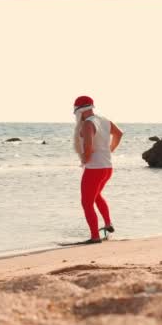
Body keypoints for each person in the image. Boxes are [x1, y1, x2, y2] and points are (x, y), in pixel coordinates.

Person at [72, 95, 124, 244]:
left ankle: (95, 237)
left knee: (86, 203)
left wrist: (85, 159)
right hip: (107, 167)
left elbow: (89, 146)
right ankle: (108, 224)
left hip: (94, 168)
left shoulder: (87, 124)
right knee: (96, 196)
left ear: (79, 110)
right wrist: (110, 150)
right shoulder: (104, 120)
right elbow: (119, 134)